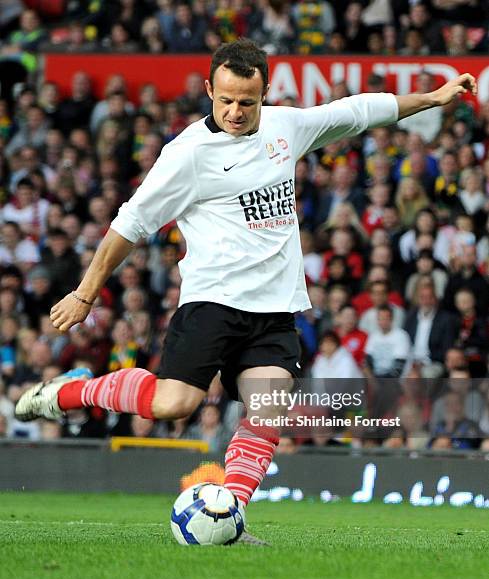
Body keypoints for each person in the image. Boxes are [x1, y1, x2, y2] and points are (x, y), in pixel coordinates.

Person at [15, 39, 477, 543]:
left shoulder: (285, 127)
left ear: (265, 93)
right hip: (212, 302)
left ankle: (228, 518)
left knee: (267, 409)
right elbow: (130, 225)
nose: (235, 112)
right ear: (210, 89)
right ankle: (71, 390)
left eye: (247, 102)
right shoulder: (187, 156)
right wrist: (86, 293)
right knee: (172, 404)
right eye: (226, 100)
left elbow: (357, 110)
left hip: (274, 308)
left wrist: (432, 98)